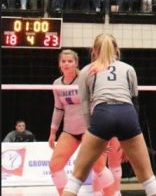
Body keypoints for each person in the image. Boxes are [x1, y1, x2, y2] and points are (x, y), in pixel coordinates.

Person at [60, 34, 156, 196]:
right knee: (149, 179)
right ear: (117, 50)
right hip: (127, 115)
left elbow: (86, 107)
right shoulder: (129, 68)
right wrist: (131, 135)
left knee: (76, 178)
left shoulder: (87, 71)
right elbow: (135, 103)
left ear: (93, 51)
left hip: (102, 115)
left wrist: (92, 132)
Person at [47, 49, 120, 196]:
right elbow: (58, 108)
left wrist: (103, 131)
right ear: (59, 64)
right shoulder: (57, 83)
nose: (66, 64)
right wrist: (53, 132)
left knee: (98, 167)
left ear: (76, 63)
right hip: (70, 130)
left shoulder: (85, 78)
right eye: (63, 61)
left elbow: (100, 102)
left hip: (91, 129)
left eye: (70, 61)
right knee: (55, 165)